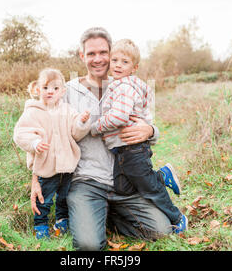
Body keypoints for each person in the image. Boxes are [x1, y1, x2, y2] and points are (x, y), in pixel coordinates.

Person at [30, 27, 186, 250]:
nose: (98, 59)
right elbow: (44, 130)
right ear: (82, 56)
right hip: (88, 181)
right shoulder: (68, 91)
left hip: (125, 181)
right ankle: (93, 213)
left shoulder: (128, 84)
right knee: (89, 245)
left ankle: (104, 215)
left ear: (111, 53)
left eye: (103, 52)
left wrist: (151, 131)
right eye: (91, 54)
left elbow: (146, 125)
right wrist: (36, 178)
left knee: (161, 230)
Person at [90, 38, 187, 231]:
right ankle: (161, 176)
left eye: (124, 62)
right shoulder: (118, 85)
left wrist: (95, 127)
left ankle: (177, 217)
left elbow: (118, 116)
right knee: (123, 187)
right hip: (122, 150)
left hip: (132, 148)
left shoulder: (124, 87)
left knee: (150, 188)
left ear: (134, 67)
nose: (118, 65)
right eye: (115, 60)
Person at [13, 68, 91, 239]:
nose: (50, 92)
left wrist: (81, 121)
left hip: (67, 164)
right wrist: (35, 143)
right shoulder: (33, 111)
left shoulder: (67, 110)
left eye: (55, 88)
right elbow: (20, 133)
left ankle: (62, 220)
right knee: (45, 198)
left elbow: (75, 132)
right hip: (46, 165)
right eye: (46, 87)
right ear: (37, 89)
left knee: (64, 196)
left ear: (62, 92)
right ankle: (40, 224)